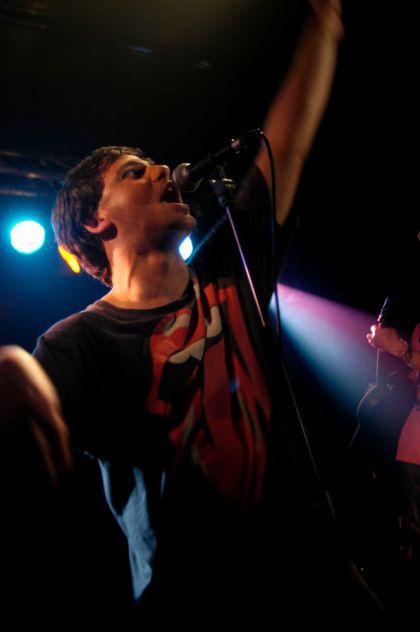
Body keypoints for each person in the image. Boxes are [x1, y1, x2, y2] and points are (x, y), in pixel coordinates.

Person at [2, 1, 395, 627]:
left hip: (316, 576)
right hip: (193, 607)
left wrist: (324, 23)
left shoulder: (229, 269)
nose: (162, 169)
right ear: (96, 220)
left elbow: (286, 147)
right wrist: (11, 366)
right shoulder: (76, 343)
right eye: (135, 172)